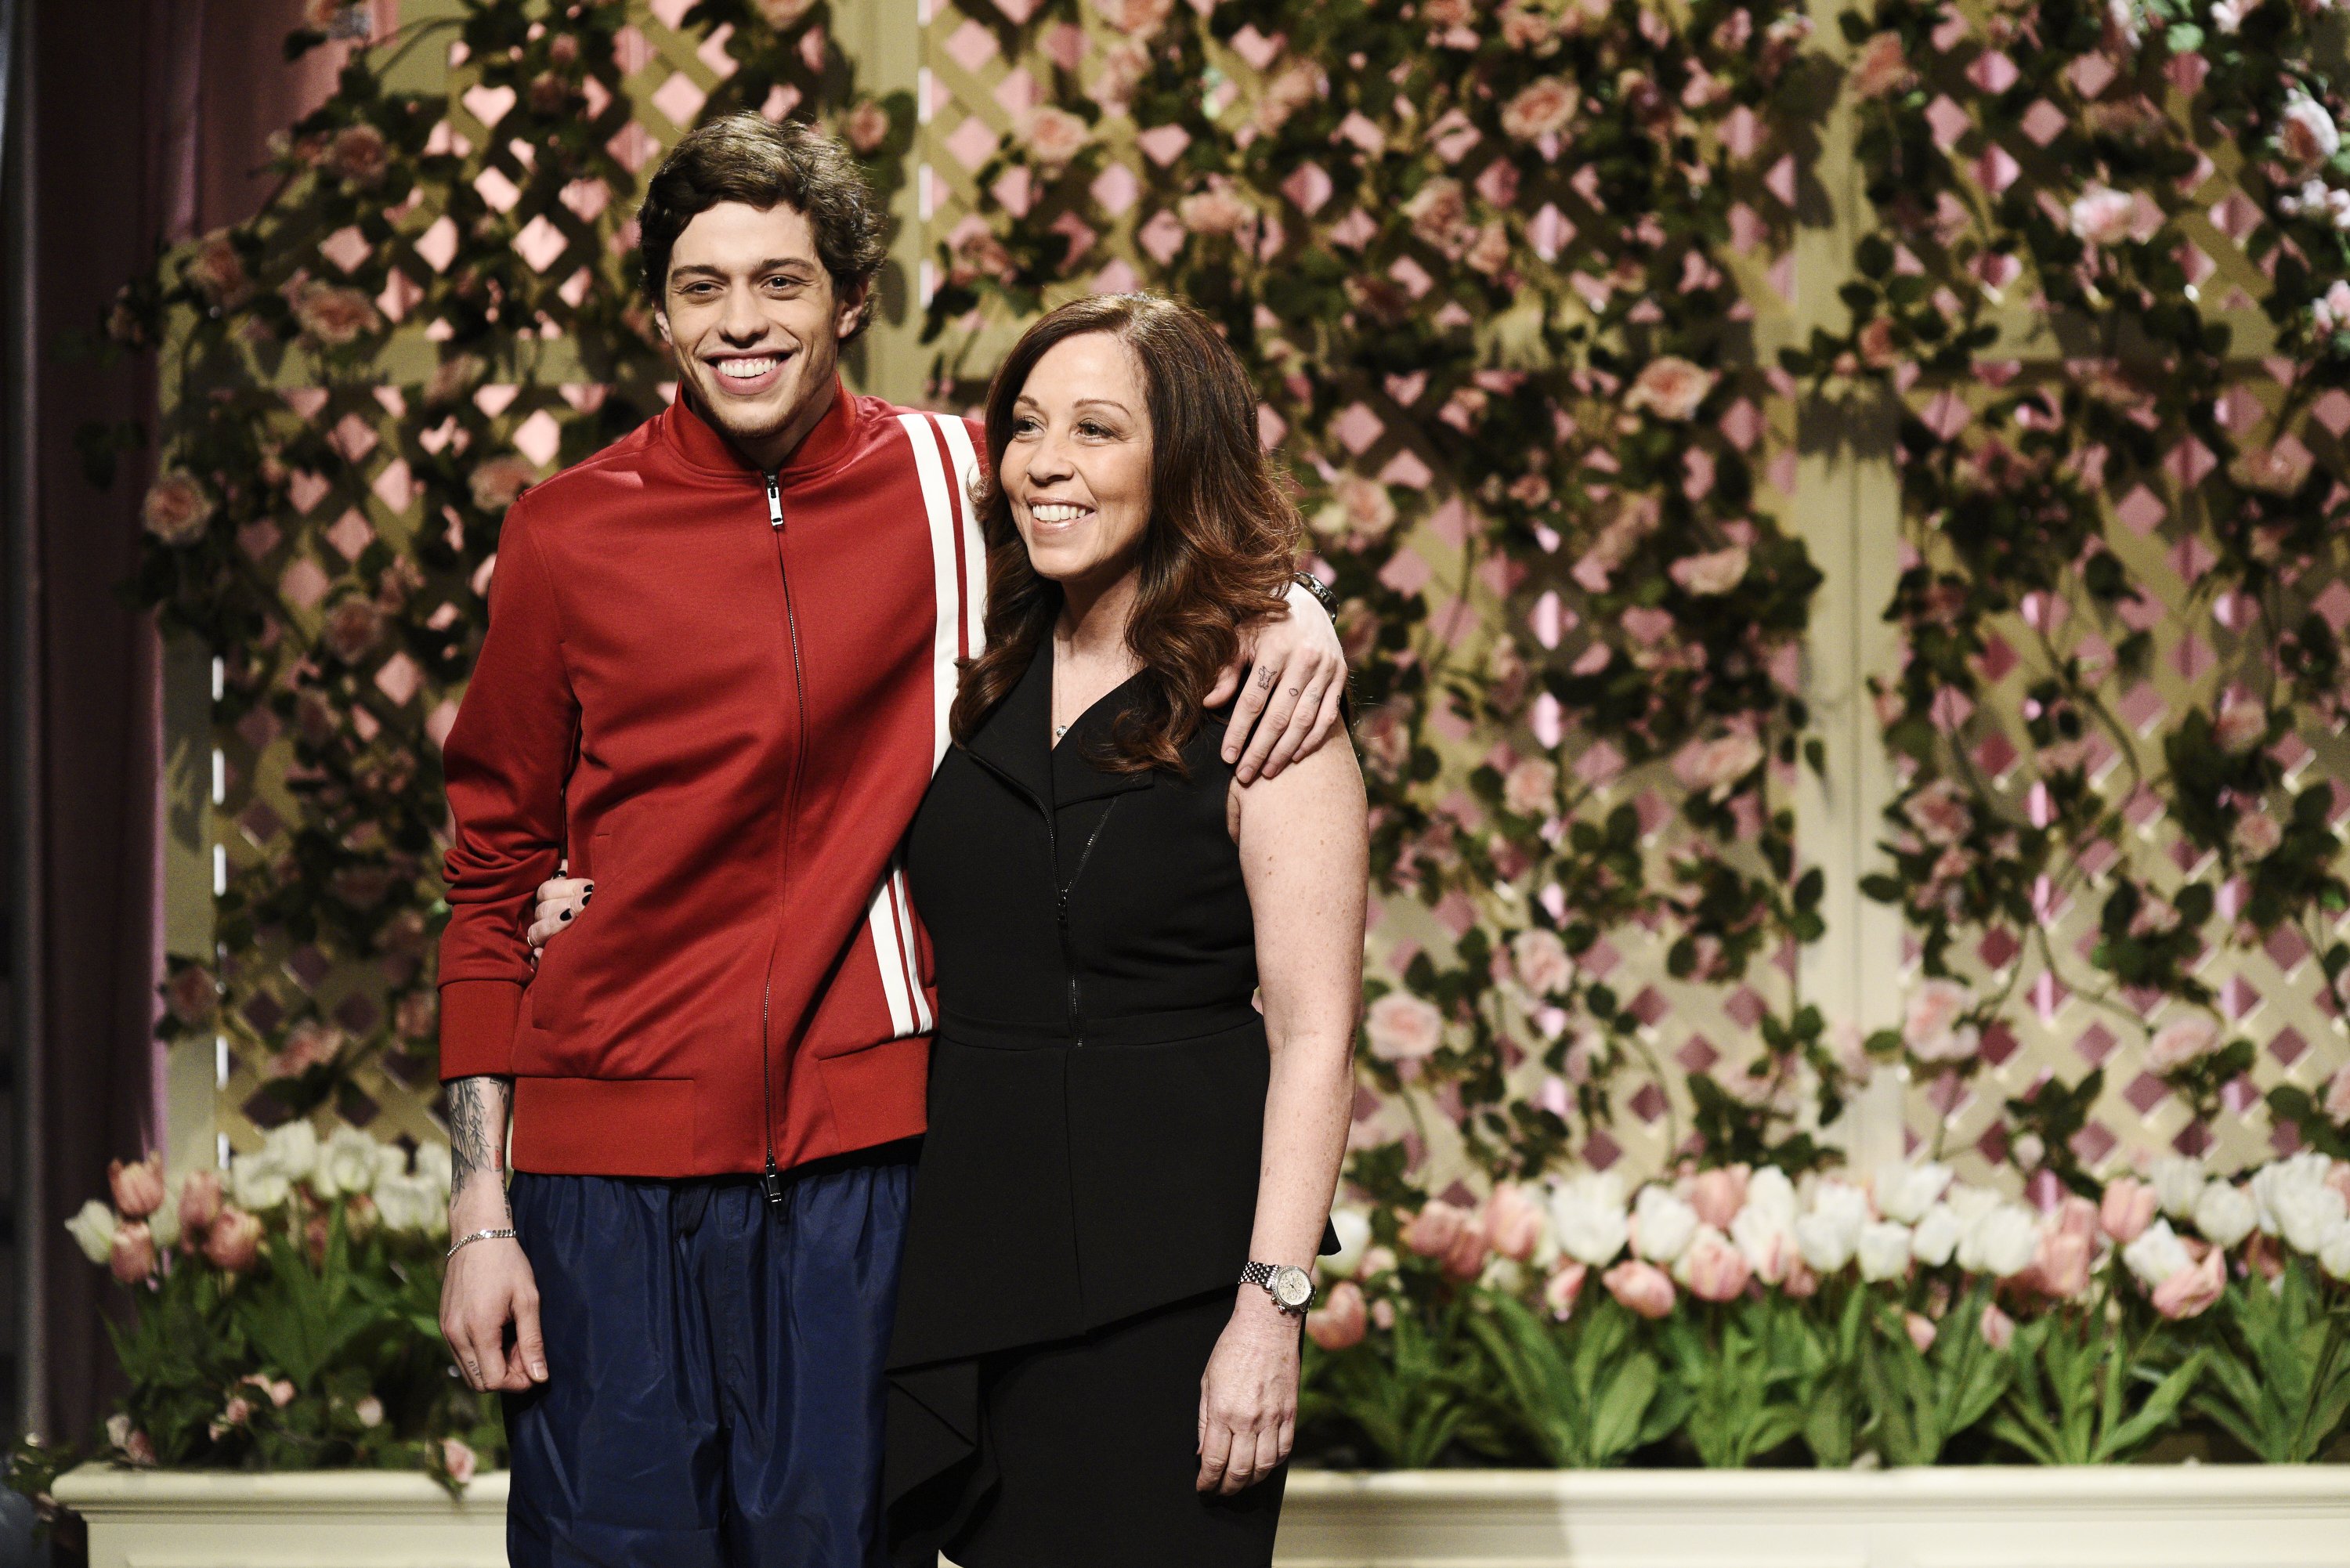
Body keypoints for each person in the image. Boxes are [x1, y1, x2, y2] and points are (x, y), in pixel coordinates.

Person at [432, 116, 1347, 1568]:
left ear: (850, 299)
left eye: (782, 282)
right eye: (703, 285)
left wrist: (1296, 606)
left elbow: (1139, 510)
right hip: (603, 1173)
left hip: (868, 1167)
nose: (742, 322)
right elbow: (488, 870)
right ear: (657, 310)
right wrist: (482, 1204)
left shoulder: (955, 487)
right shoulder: (561, 533)